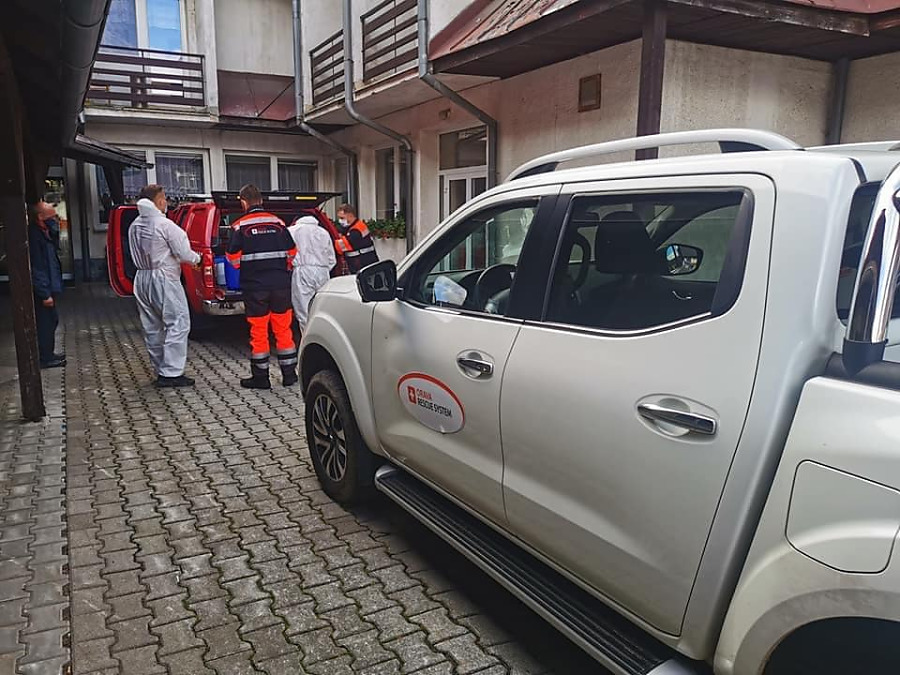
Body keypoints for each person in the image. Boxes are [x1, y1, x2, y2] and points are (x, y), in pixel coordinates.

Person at [226, 184, 298, 389]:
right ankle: (289, 375)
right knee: (283, 329)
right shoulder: (278, 223)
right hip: (281, 286)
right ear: (261, 201)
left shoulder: (239, 226)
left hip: (255, 288)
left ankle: (261, 378)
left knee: (259, 331)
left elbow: (232, 259)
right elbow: (293, 253)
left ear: (243, 202)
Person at [129, 184, 202, 387]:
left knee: (152, 326)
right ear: (159, 201)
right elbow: (183, 253)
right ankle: (172, 373)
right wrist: (198, 259)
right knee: (178, 322)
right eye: (164, 199)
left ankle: (161, 369)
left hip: (141, 278)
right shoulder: (165, 225)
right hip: (164, 278)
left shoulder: (135, 225)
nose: (166, 203)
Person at [29, 201, 65, 369]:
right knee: (46, 323)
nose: (55, 219)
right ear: (40, 217)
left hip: (49, 285)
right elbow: (37, 267)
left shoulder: (46, 233)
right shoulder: (34, 236)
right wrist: (44, 293)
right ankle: (45, 357)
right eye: (52, 216)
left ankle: (49, 354)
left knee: (52, 320)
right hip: (43, 289)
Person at [288, 214, 336, 336]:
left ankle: (307, 338)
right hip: (323, 271)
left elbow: (287, 254)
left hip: (302, 271)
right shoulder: (324, 232)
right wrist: (324, 269)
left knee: (303, 310)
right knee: (322, 308)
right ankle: (324, 338)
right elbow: (332, 259)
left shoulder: (292, 231)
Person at [334, 203, 378, 273]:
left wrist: (330, 241)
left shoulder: (356, 229)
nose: (340, 220)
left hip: (363, 264)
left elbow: (341, 246)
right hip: (362, 263)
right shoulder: (353, 226)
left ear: (350, 215)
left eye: (342, 218)